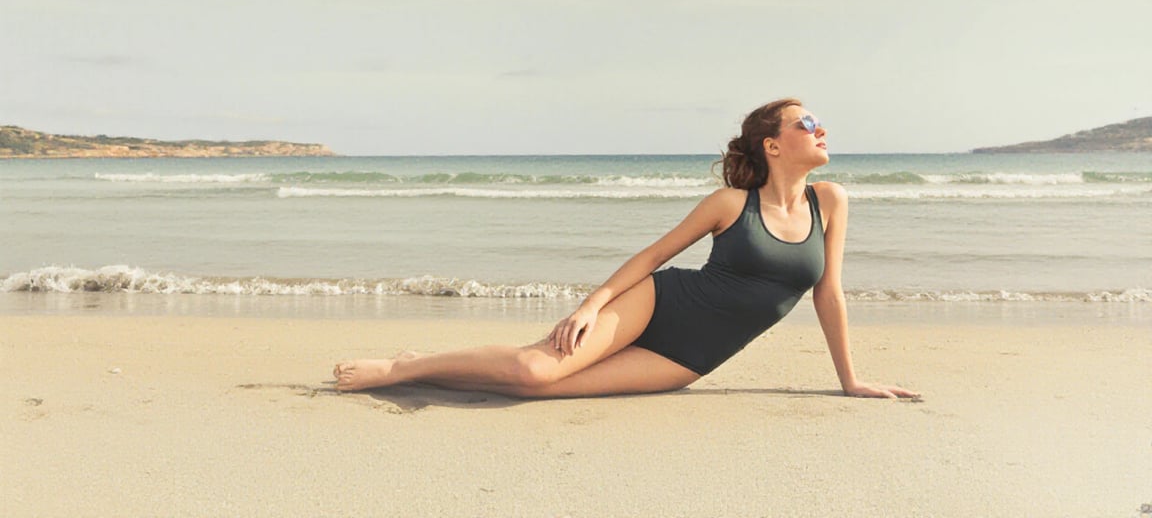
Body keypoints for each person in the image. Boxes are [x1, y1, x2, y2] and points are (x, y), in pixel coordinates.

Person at [333, 99, 918, 399]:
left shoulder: (830, 201)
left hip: (690, 359)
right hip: (658, 304)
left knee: (541, 390)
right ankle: (401, 367)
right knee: (534, 367)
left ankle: (418, 375)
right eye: (805, 121)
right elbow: (652, 258)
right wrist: (590, 305)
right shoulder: (728, 204)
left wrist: (850, 380)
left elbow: (829, 293)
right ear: (773, 144)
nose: (820, 128)